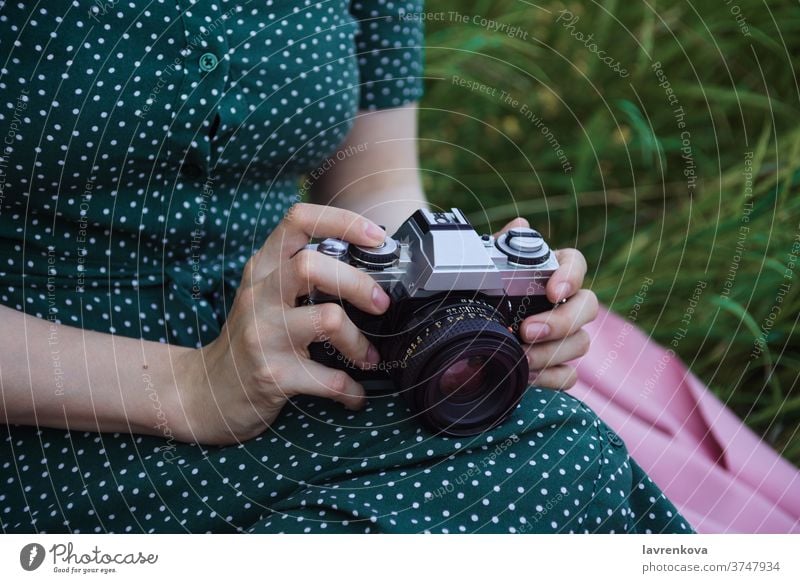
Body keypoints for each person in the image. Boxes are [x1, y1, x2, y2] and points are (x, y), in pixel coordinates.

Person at [0, 0, 691, 533]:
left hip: (293, 350)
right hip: (54, 399)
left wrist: (467, 295)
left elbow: (374, 191)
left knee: (551, 442)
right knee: (552, 466)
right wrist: (192, 386)